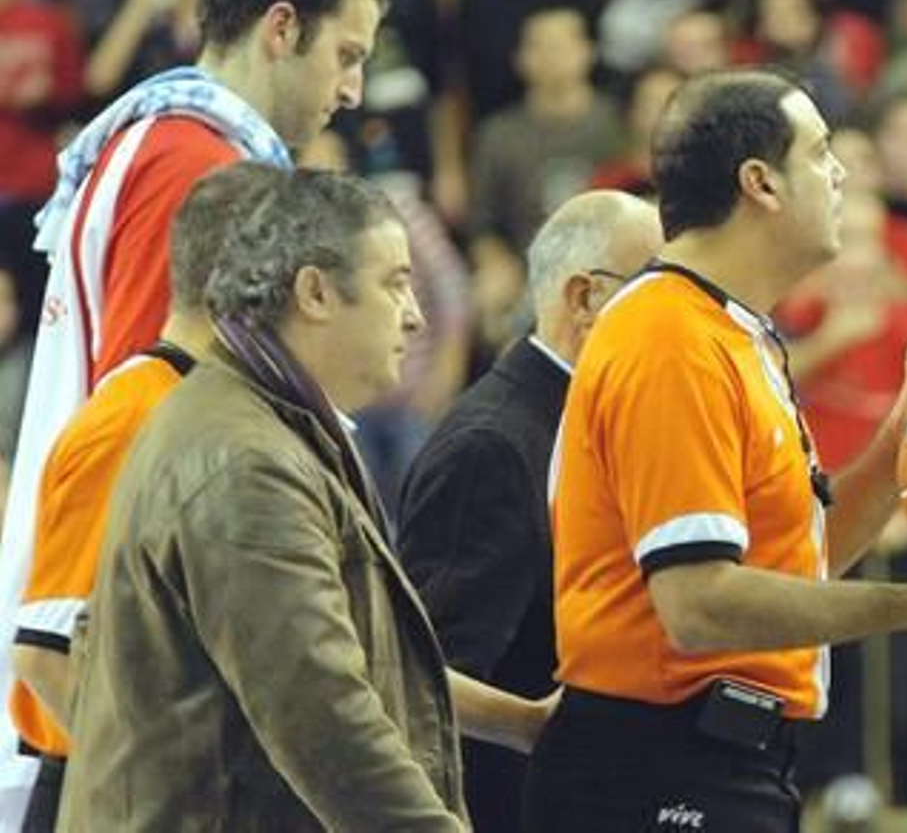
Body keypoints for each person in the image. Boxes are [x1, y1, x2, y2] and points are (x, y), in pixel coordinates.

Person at [525, 68, 907, 831]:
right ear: (761, 184)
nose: (841, 173)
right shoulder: (671, 338)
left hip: (721, 760)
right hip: (658, 764)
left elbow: (800, 563)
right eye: (820, 153)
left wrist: (906, 423)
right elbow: (699, 606)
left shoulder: (731, 332)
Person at [0, 0, 387, 823]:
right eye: (346, 55)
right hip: (104, 683)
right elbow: (151, 411)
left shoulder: (162, 140)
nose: (354, 90)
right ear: (281, 27)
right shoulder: (196, 168)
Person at [57, 169, 551, 830]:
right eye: (394, 283)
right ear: (315, 292)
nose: (415, 316)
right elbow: (321, 714)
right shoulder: (245, 461)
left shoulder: (256, 423)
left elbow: (351, 662)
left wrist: (521, 723)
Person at [9, 162, 276, 831]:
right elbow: (46, 654)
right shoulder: (134, 417)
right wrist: (170, 801)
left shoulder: (193, 405)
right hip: (103, 797)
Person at [398, 190, 662, 833]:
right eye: (657, 289)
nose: (681, 316)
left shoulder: (580, 423)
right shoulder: (493, 448)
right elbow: (422, 681)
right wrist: (534, 728)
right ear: (585, 298)